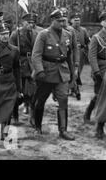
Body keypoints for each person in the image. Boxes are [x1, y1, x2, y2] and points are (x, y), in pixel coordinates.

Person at [31, 9, 76, 140]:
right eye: (59, 21)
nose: (62, 23)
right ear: (52, 21)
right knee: (40, 101)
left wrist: (73, 74)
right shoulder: (43, 35)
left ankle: (63, 130)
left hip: (62, 72)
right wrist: (39, 71)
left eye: (64, 21)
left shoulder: (68, 35)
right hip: (46, 73)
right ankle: (37, 127)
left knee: (63, 100)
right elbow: (36, 54)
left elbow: (69, 56)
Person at [9, 13, 38, 124]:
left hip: (32, 66)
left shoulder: (36, 34)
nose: (31, 24)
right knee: (18, 93)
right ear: (22, 22)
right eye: (28, 22)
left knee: (32, 93)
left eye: (32, 23)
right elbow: (10, 50)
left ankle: (33, 118)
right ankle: (15, 116)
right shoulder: (16, 34)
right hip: (20, 65)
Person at [84, 12, 106, 124]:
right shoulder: (96, 37)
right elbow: (92, 56)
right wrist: (96, 72)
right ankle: (88, 113)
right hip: (101, 69)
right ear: (102, 23)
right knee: (99, 95)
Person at [70, 13, 90, 87]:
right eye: (75, 20)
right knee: (73, 67)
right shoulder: (69, 29)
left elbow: (87, 41)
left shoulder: (83, 30)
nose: (77, 22)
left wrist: (87, 51)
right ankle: (74, 83)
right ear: (71, 21)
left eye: (78, 20)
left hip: (81, 51)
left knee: (79, 67)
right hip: (72, 51)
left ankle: (76, 81)